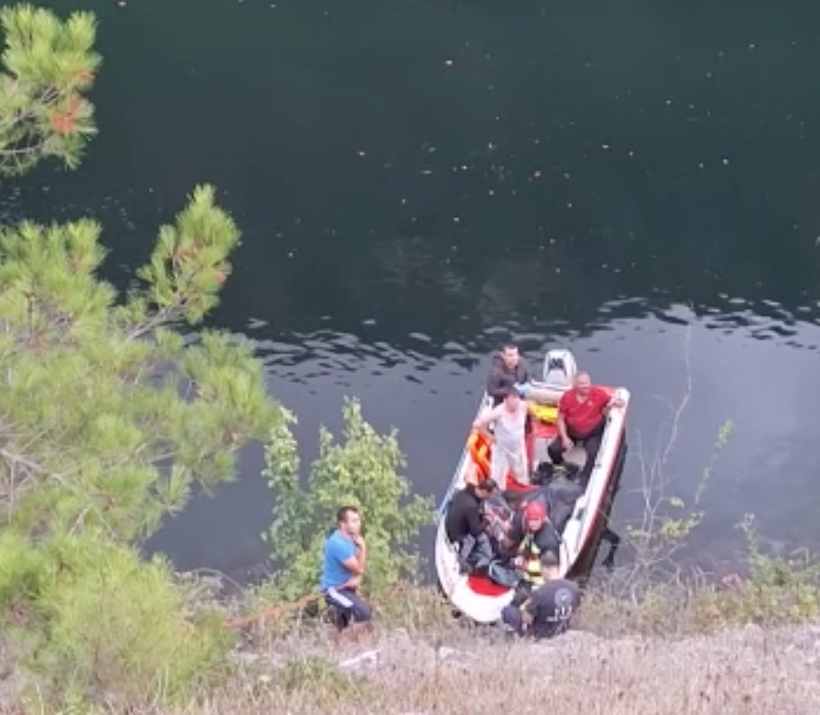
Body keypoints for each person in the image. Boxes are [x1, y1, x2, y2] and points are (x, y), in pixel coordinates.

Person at [548, 371, 625, 483]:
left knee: (593, 453)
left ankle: (585, 478)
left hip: (592, 432)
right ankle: (560, 466)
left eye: (587, 383)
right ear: (575, 385)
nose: (586, 386)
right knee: (553, 449)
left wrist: (618, 402)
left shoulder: (598, 394)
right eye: (582, 384)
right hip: (572, 431)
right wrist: (564, 438)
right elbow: (560, 418)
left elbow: (614, 401)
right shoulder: (567, 397)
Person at [501, 550, 582, 640]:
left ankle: (511, 641)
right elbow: (576, 611)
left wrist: (524, 607)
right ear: (558, 567)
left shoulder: (539, 592)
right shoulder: (574, 588)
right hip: (563, 633)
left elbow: (527, 619)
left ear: (543, 569)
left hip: (540, 636)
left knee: (508, 611)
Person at [320, 506, 373, 639]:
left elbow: (358, 566)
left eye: (358, 520)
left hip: (347, 588)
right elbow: (359, 568)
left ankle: (337, 648)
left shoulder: (351, 539)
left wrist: (358, 578)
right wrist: (363, 547)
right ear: (343, 524)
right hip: (335, 590)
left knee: (342, 624)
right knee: (364, 614)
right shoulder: (337, 544)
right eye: (353, 521)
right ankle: (351, 646)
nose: (358, 524)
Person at [472, 387, 536, 490]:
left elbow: (533, 413)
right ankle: (498, 492)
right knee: (497, 477)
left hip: (518, 445)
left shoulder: (523, 406)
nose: (516, 403)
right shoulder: (498, 412)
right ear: (506, 400)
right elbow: (477, 424)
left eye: (517, 399)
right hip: (502, 448)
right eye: (513, 400)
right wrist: (490, 437)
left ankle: (522, 486)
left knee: (521, 471)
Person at [445, 478, 498, 572]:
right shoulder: (471, 507)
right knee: (479, 539)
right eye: (491, 495)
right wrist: (486, 521)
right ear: (485, 492)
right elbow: (475, 531)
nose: (491, 498)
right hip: (458, 534)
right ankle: (465, 563)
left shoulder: (465, 492)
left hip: (455, 523)